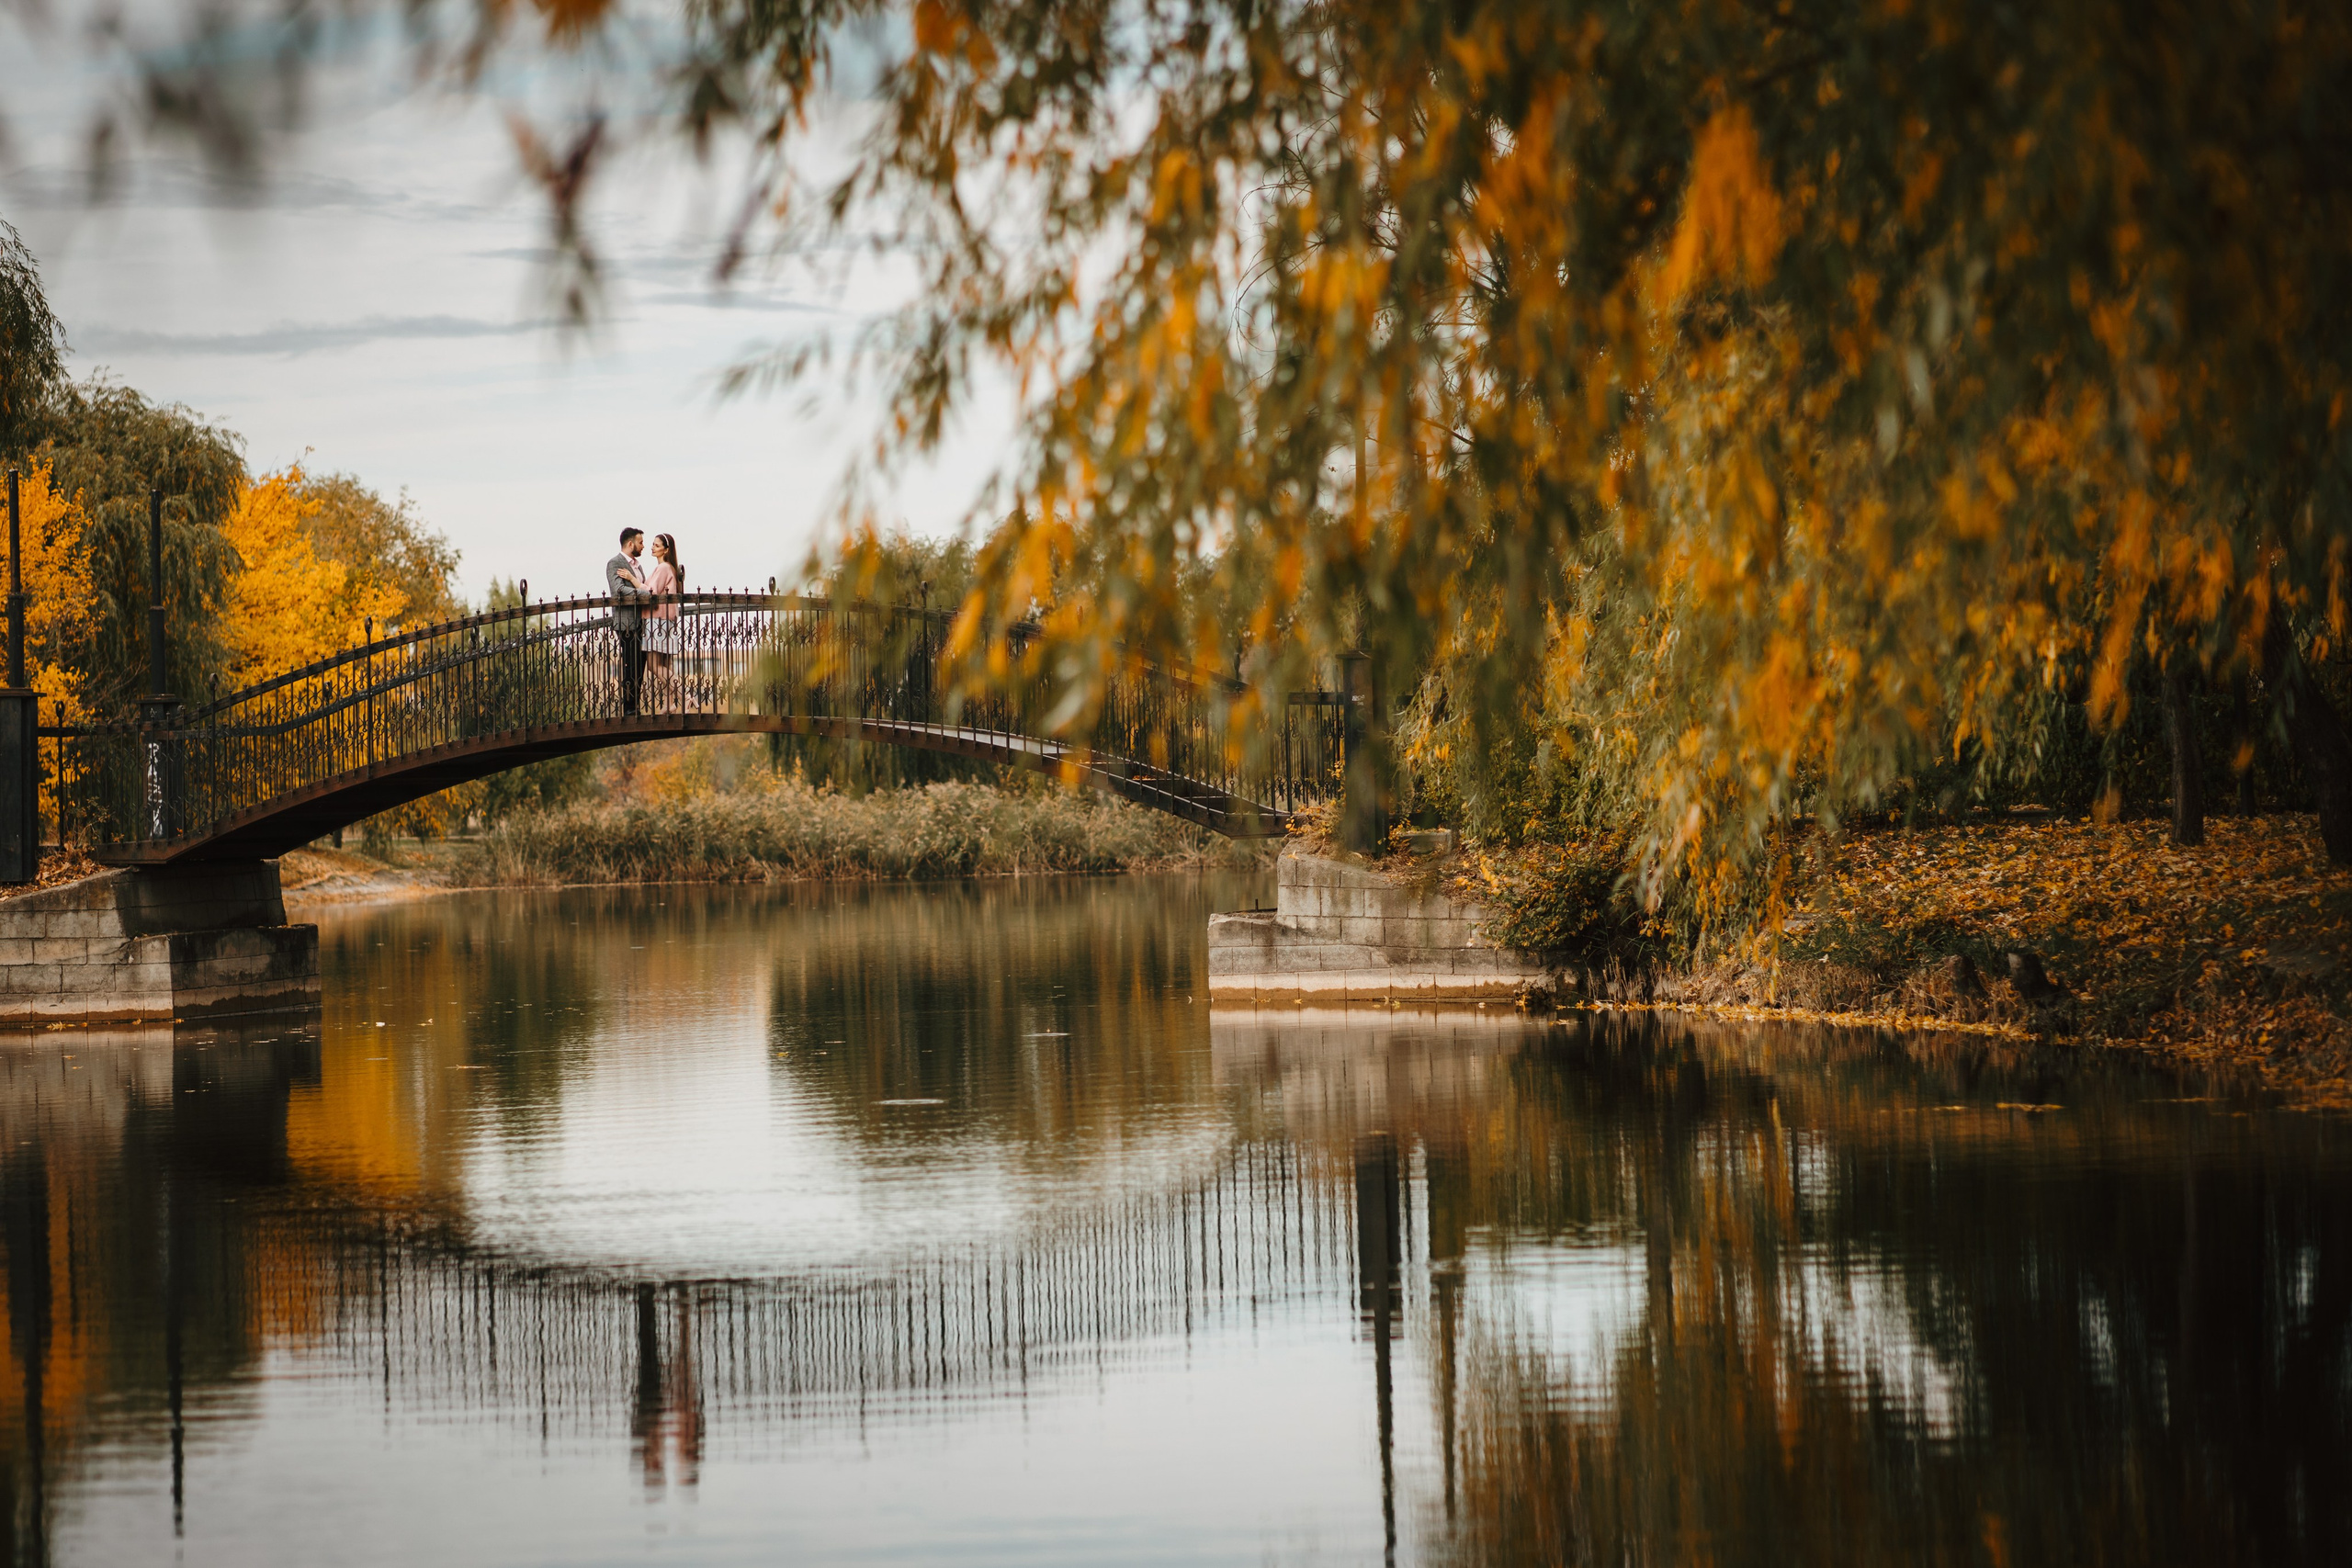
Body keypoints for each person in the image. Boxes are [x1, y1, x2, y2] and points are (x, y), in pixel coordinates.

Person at [605, 527, 649, 715]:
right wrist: (645, 593)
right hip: (627, 623)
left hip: (642, 623)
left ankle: (635, 705)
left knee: (640, 665)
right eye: (640, 542)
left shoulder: (637, 566)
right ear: (630, 544)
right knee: (631, 665)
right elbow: (619, 591)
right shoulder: (615, 563)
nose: (643, 546)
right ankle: (629, 708)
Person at [642, 533, 682, 705]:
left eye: (656, 545)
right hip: (666, 621)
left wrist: (634, 582)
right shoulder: (669, 568)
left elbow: (650, 592)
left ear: (665, 550)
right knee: (665, 665)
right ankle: (669, 704)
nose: (652, 547)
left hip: (658, 622)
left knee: (653, 665)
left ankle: (685, 697)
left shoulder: (663, 568)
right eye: (652, 544)